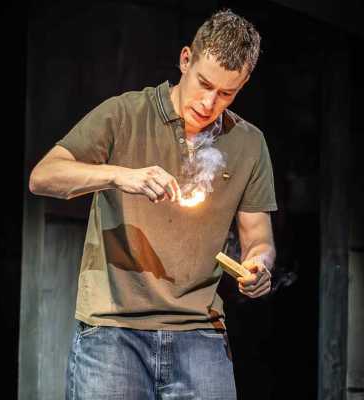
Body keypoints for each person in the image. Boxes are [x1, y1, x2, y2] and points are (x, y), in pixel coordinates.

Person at [29, 8, 277, 400]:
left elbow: (258, 238)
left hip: (200, 333)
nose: (209, 102)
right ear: (185, 60)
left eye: (226, 93)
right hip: (114, 331)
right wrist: (119, 174)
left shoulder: (249, 142)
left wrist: (259, 265)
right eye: (204, 83)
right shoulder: (125, 114)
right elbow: (43, 177)